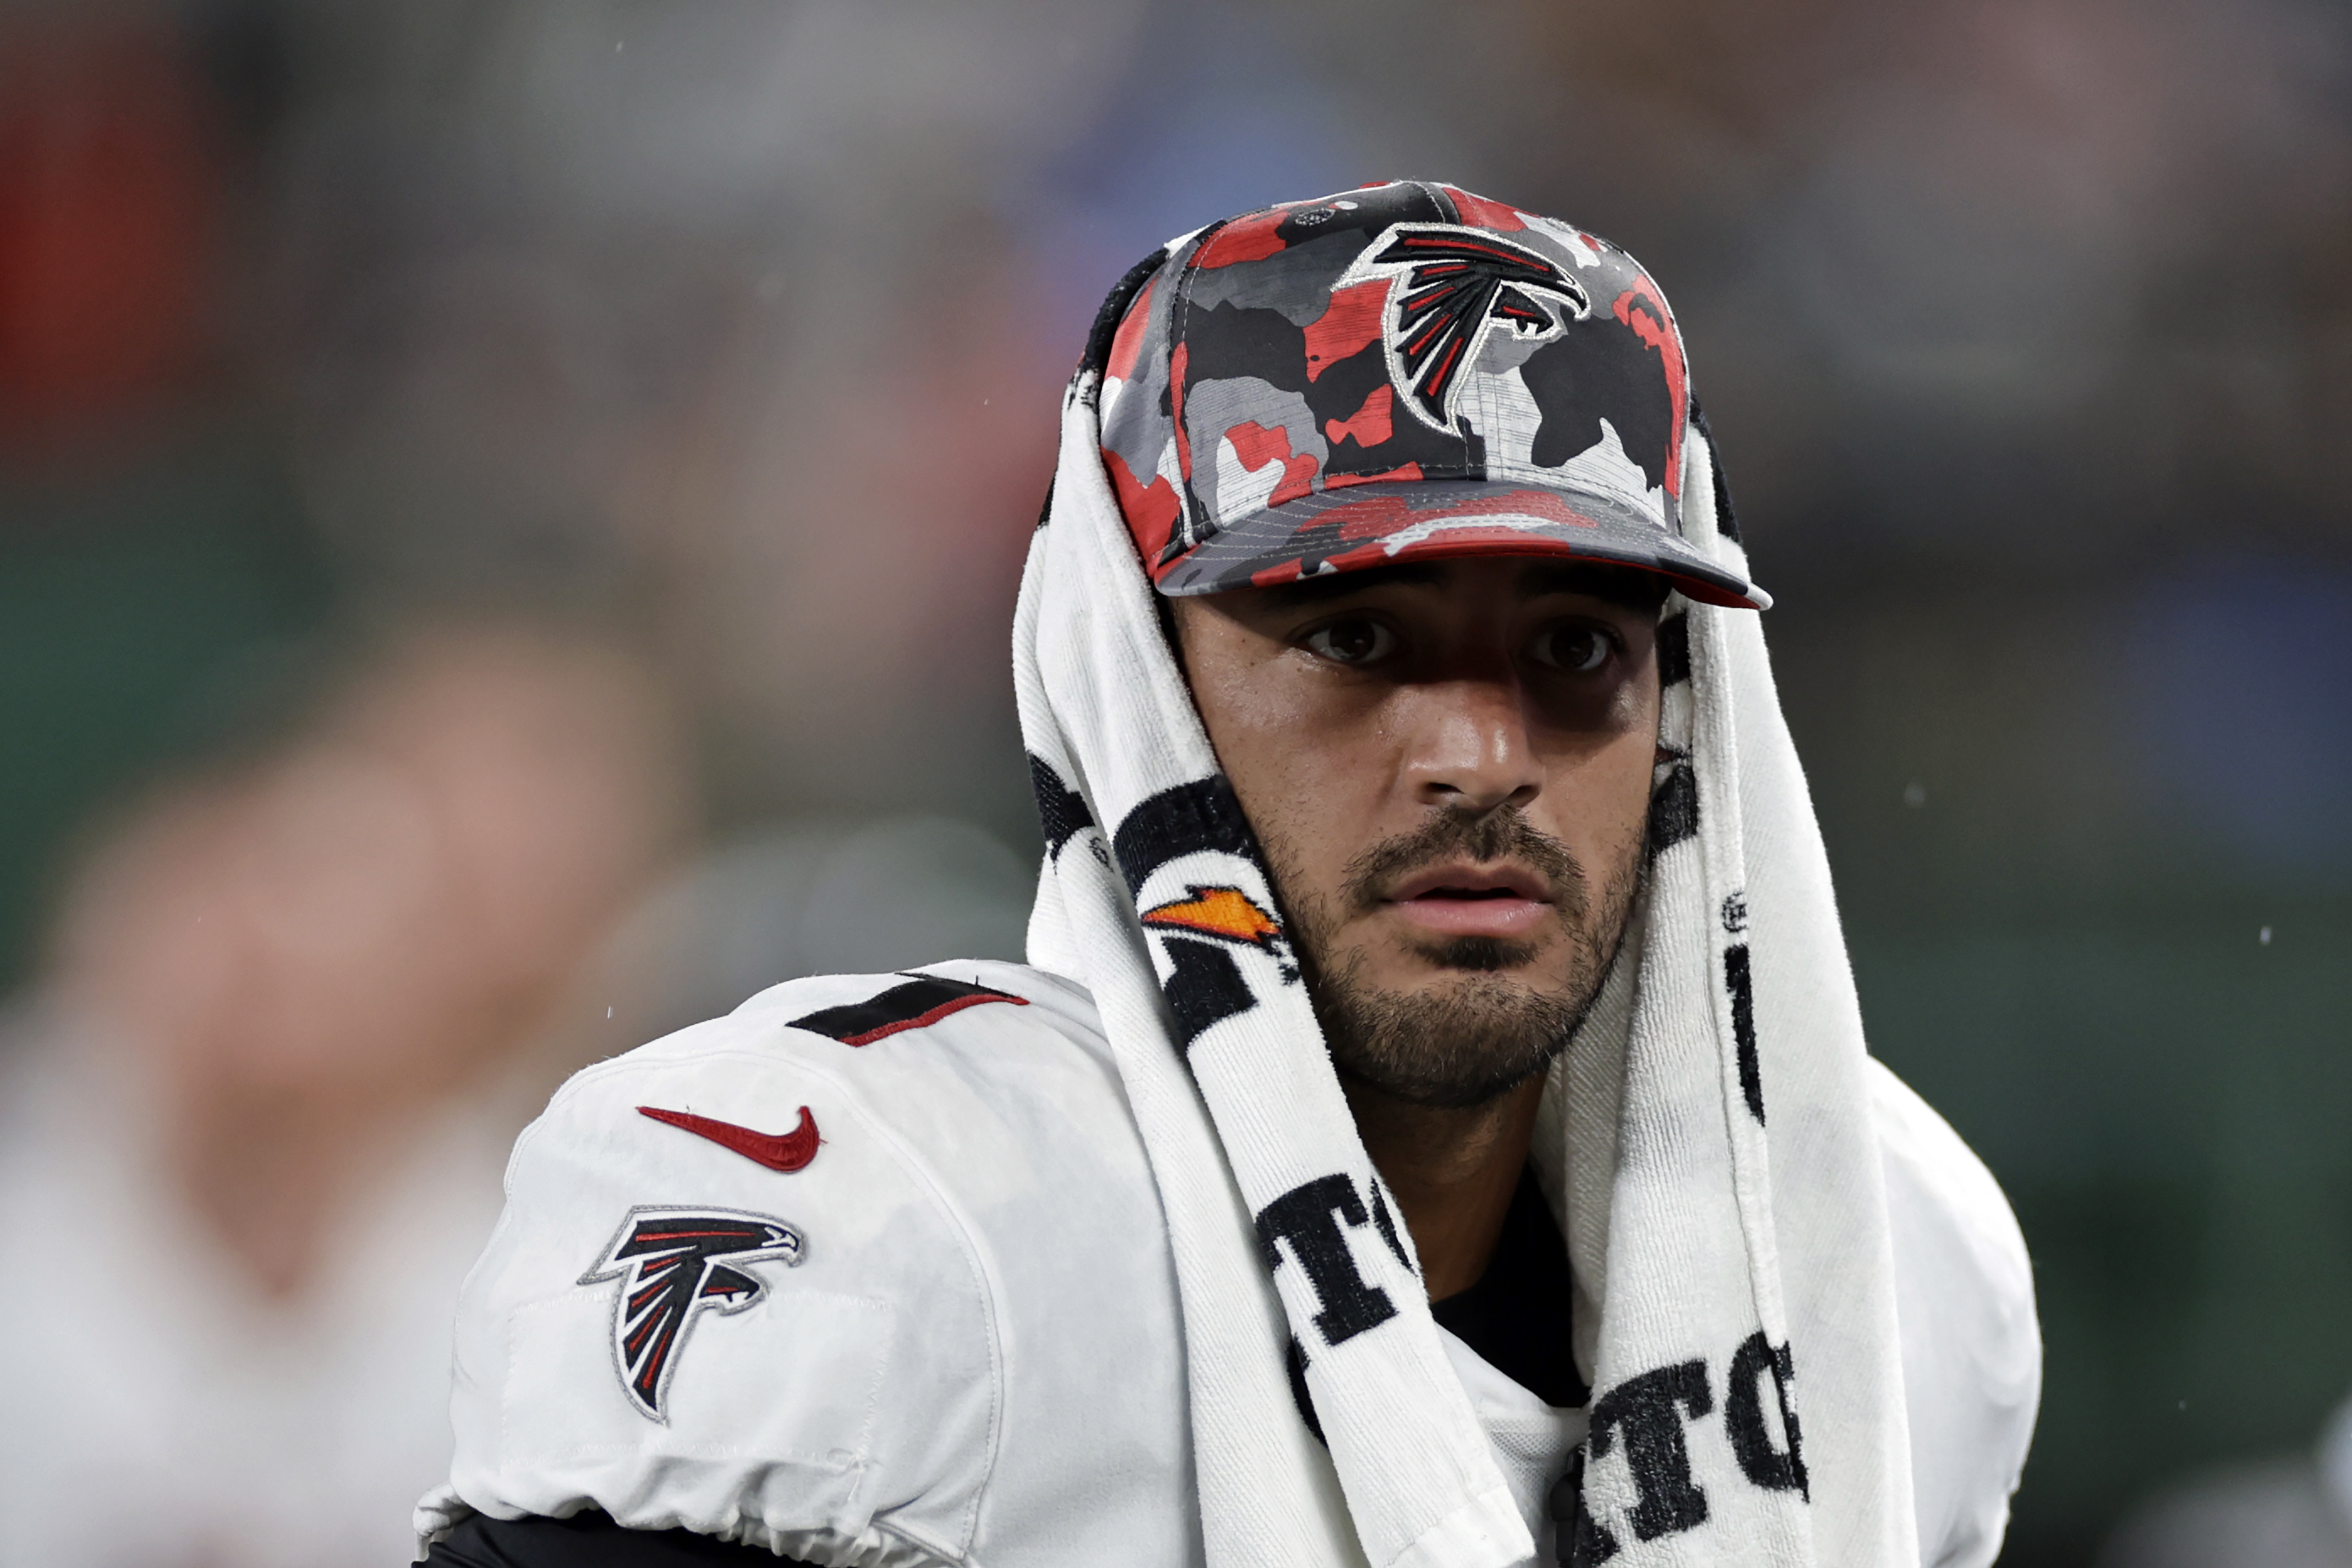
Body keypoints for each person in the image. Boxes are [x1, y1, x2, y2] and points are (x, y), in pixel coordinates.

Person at [415, 181, 2040, 1568]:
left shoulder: (1886, 1251)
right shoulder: (887, 1224)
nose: (1481, 752)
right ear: (1141, 686)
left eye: (1571, 645)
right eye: (1351, 637)